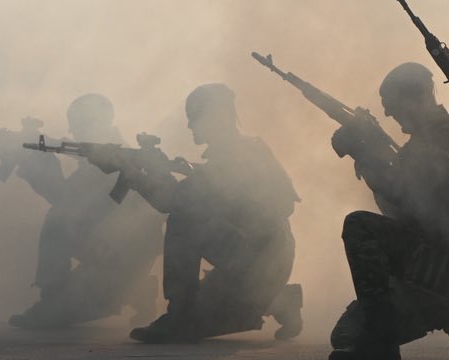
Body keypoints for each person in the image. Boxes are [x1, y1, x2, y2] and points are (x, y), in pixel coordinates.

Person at [103, 84, 301, 344]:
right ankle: (278, 299)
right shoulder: (246, 150)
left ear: (214, 117)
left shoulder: (236, 156)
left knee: (184, 220)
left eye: (194, 117)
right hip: (264, 261)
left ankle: (180, 315)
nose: (190, 126)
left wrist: (138, 176)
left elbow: (174, 200)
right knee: (213, 310)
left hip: (258, 263)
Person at [328, 62, 449, 360]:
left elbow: (409, 199)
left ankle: (381, 340)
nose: (388, 114)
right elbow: (400, 207)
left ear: (414, 99)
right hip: (434, 265)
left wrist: (365, 153)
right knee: (345, 335)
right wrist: (371, 152)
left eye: (392, 105)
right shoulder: (429, 139)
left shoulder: (445, 138)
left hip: (442, 265)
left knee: (359, 225)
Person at [6, 94, 163, 329]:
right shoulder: (101, 159)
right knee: (60, 222)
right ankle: (137, 291)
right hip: (109, 249)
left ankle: (121, 289)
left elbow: (67, 208)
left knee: (57, 225)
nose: (73, 130)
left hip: (121, 252)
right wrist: (34, 163)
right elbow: (68, 202)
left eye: (78, 124)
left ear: (95, 123)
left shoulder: (119, 159)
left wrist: (38, 166)